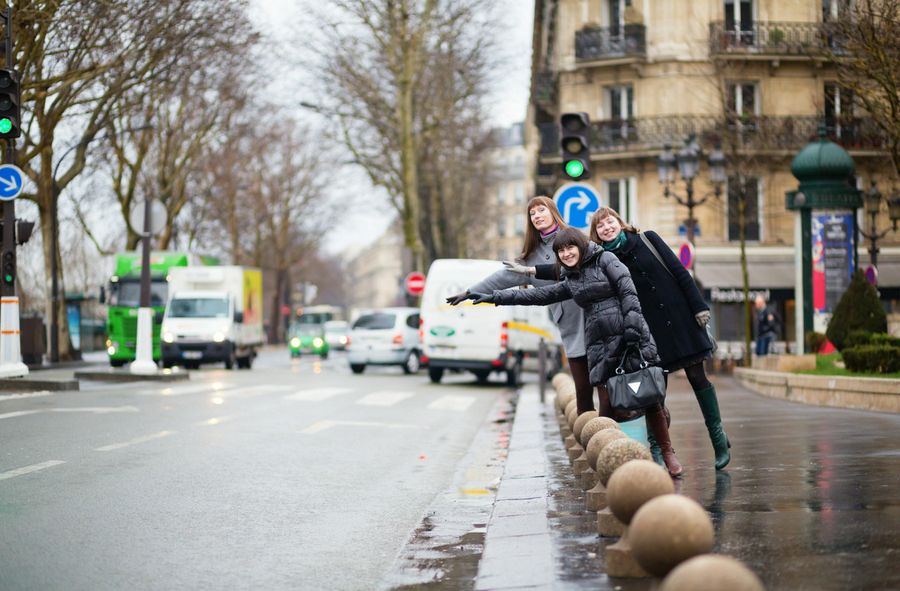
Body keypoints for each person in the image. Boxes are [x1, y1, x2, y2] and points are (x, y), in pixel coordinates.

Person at [516, 207, 731, 471]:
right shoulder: (602, 258)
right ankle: (660, 450)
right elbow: (563, 267)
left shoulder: (648, 239)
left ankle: (718, 438)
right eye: (601, 227)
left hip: (680, 318)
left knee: (698, 378)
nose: (607, 227)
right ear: (596, 235)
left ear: (620, 222)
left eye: (610, 222)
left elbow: (680, 272)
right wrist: (530, 271)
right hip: (648, 329)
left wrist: (699, 308)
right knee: (656, 393)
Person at [467, 228, 684, 477]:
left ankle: (667, 453)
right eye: (561, 251)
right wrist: (493, 297)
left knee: (650, 397)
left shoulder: (605, 259)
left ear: (580, 246)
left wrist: (633, 330)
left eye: (570, 247)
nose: (566, 253)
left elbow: (628, 292)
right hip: (600, 342)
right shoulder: (571, 278)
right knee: (608, 403)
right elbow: (538, 295)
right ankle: (612, 460)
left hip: (629, 336)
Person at [446, 196, 600, 416]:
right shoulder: (530, 258)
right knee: (583, 393)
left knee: (607, 387)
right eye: (532, 213)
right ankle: (589, 445)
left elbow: (600, 259)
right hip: (570, 325)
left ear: (553, 211)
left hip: (597, 315)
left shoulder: (575, 237)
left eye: (541, 210)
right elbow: (502, 277)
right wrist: (470, 291)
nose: (536, 216)